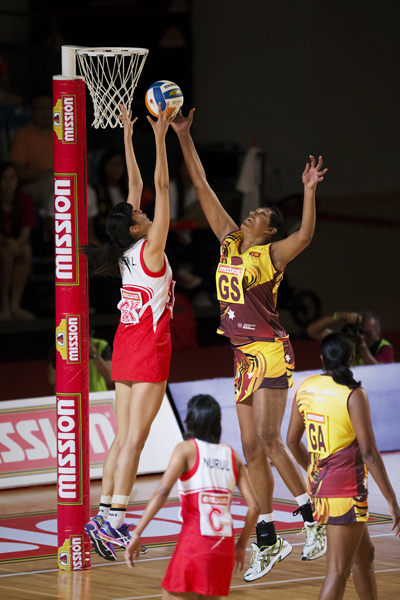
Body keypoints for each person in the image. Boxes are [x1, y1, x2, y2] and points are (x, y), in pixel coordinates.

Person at [171, 109, 328, 581]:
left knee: (268, 439)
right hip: (241, 356)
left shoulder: (272, 253)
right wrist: (183, 135)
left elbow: (305, 234)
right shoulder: (227, 241)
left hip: (269, 350)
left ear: (269, 230)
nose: (251, 212)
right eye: (252, 210)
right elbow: (200, 184)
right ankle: (268, 537)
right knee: (250, 449)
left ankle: (311, 519)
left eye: (260, 214)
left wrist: (309, 190)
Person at [82, 103, 176, 561]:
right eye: (139, 214)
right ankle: (115, 519)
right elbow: (157, 186)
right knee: (136, 438)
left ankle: (102, 515)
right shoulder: (151, 249)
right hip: (150, 345)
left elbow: (137, 189)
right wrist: (158, 137)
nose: (143, 212)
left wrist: (126, 134)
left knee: (122, 437)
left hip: (124, 344)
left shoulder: (124, 252)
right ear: (138, 226)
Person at [287, 332, 400, 600]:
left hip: (322, 486)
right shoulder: (353, 393)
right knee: (338, 571)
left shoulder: (306, 386)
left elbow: (291, 441)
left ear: (322, 358)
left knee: (366, 555)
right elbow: (370, 454)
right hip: (346, 490)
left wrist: (316, 473)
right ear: (351, 358)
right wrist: (392, 500)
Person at [125, 394, 260, 598]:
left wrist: (137, 533)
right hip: (224, 548)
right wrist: (241, 545)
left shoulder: (186, 449)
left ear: (191, 420)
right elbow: (256, 507)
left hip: (195, 544)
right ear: (219, 422)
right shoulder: (232, 455)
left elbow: (161, 491)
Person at [0, 161, 36, 320]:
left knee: (26, 251)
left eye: (12, 177)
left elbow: (26, 232)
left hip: (15, 244)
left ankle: (15, 305)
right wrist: (8, 242)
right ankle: (4, 306)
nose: (9, 182)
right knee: (6, 255)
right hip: (3, 244)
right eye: (4, 178)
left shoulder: (24, 199)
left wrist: (15, 244)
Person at [10, 93, 54, 207]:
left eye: (49, 107)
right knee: (53, 183)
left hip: (61, 179)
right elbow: (18, 171)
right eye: (40, 108)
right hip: (34, 186)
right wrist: (47, 174)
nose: (45, 112)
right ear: (32, 111)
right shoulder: (23, 134)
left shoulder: (64, 132)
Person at [307, 311, 394, 365]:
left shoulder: (384, 348)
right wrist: (338, 316)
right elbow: (313, 331)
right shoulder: (348, 342)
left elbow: (379, 371)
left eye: (369, 333)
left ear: (379, 332)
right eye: (361, 331)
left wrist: (362, 346)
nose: (363, 336)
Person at [48, 327, 112, 392]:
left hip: (97, 398)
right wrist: (64, 352)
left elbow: (110, 378)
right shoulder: (59, 348)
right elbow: (53, 380)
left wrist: (93, 353)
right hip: (69, 398)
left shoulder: (100, 345)